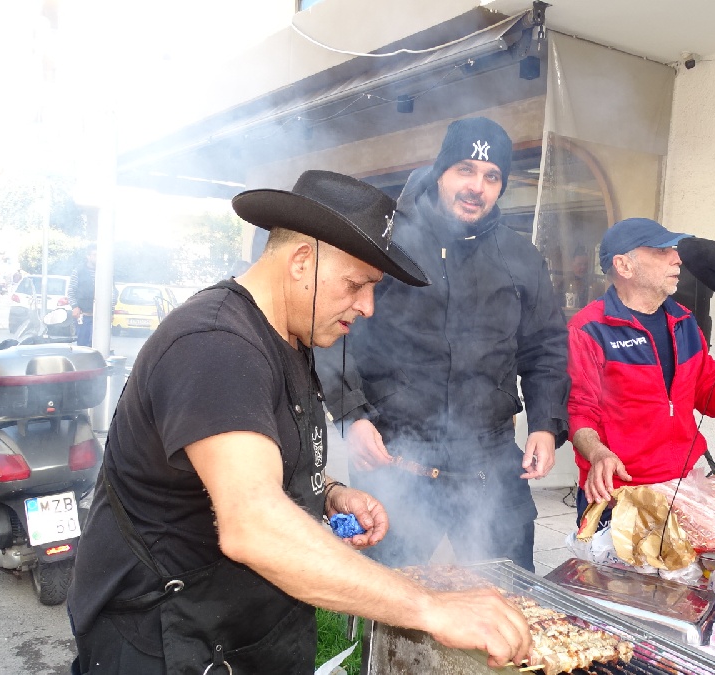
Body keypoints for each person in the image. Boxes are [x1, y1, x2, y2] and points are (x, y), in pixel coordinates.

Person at [67, 170, 532, 674]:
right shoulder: (216, 344)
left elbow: (255, 459)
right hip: (168, 638)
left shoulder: (288, 337)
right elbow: (254, 524)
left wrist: (327, 491)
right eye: (356, 285)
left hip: (247, 631)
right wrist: (429, 606)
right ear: (302, 261)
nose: (368, 306)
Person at [315, 117, 569, 572]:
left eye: (492, 177)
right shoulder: (387, 243)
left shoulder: (521, 257)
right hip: (397, 456)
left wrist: (545, 424)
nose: (477, 186)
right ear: (440, 173)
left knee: (510, 596)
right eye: (465, 170)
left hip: (490, 461)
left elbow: (545, 346)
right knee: (392, 599)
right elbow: (333, 330)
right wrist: (351, 416)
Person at [567, 218, 715, 528]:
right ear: (624, 266)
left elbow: (709, 397)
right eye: (662, 251)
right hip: (619, 494)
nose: (677, 258)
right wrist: (597, 453)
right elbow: (578, 411)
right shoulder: (589, 329)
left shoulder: (684, 321)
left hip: (684, 488)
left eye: (674, 250)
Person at [68, 247, 96, 346]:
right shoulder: (79, 271)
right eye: (94, 255)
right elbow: (71, 291)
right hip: (84, 315)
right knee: (83, 344)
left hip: (100, 317)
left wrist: (111, 311)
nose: (97, 258)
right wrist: (74, 307)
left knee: (97, 344)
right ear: (88, 256)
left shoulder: (105, 273)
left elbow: (112, 292)